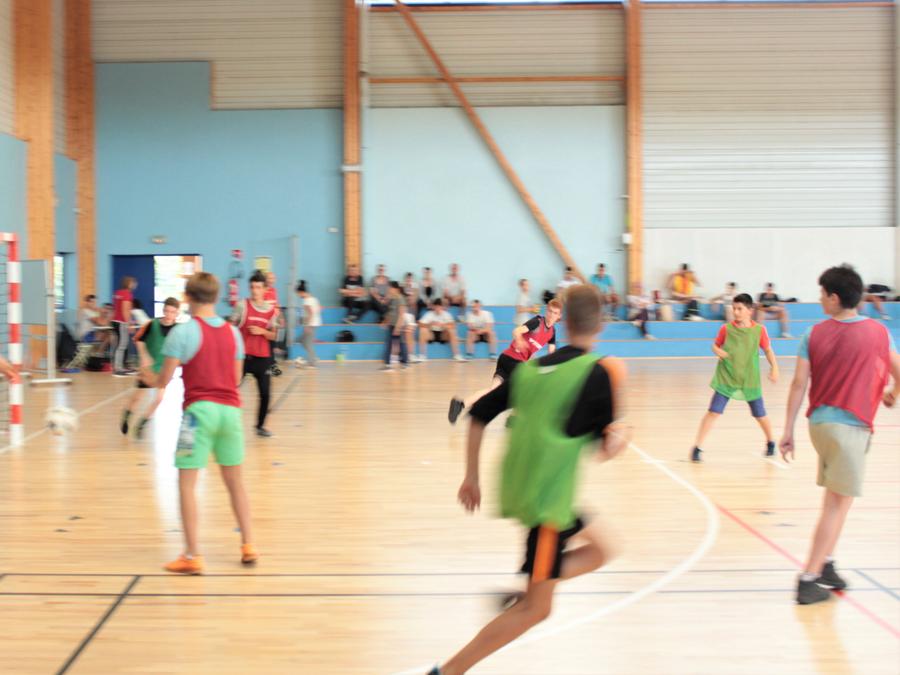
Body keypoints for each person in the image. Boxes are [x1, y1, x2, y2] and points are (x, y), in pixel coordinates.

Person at [429, 285, 630, 675]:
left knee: (603, 548)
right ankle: (449, 671)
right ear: (601, 325)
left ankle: (535, 582)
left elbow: (477, 416)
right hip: (548, 500)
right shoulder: (599, 373)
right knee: (537, 610)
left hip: (523, 486)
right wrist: (623, 435)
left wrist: (471, 478)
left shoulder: (530, 371)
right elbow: (604, 450)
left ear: (564, 323)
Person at [780, 265, 898, 605]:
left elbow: (798, 384)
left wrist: (787, 430)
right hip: (850, 428)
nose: (819, 299)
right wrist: (893, 394)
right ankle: (809, 578)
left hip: (820, 426)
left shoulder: (812, 334)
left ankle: (827, 563)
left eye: (822, 294)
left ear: (834, 298)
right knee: (836, 505)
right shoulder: (877, 332)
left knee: (835, 500)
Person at [150, 272, 257, 574]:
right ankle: (249, 545)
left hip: (197, 415)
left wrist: (150, 376)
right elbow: (236, 378)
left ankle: (192, 555)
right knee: (235, 483)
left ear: (187, 297)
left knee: (186, 483)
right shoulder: (233, 333)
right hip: (230, 413)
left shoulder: (182, 333)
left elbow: (164, 378)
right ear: (216, 296)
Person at [690, 293, 779, 463]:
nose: (736, 312)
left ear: (750, 311)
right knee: (713, 412)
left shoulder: (759, 330)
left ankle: (771, 442)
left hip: (749, 378)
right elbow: (714, 345)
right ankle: (697, 447)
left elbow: (768, 350)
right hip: (727, 377)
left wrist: (774, 367)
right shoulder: (726, 329)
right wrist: (719, 351)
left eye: (740, 309)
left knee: (759, 414)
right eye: (734, 309)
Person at [449, 298, 563, 424]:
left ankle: (460, 404)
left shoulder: (552, 332)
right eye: (550, 311)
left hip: (506, 359)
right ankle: (513, 418)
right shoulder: (537, 322)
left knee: (492, 391)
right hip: (512, 360)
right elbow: (517, 331)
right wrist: (519, 340)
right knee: (526, 387)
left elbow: (552, 353)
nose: (551, 315)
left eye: (555, 313)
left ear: (559, 316)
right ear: (546, 311)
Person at [121, 297, 180, 439]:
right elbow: (138, 339)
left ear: (177, 313)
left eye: (172, 312)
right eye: (167, 311)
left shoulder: (178, 329)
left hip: (164, 369)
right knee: (137, 398)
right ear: (163, 310)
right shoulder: (152, 324)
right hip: (149, 367)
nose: (169, 314)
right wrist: (144, 356)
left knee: (159, 399)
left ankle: (142, 424)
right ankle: (127, 415)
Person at [233, 271, 279, 438]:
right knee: (230, 391)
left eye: (258, 287)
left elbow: (274, 336)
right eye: (252, 287)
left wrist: (262, 331)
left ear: (265, 289)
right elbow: (230, 328)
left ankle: (260, 426)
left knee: (266, 394)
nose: (255, 290)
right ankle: (226, 424)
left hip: (263, 358)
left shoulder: (271, 311)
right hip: (243, 358)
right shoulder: (242, 305)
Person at [417, 299, 464, 363]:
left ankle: (457, 355)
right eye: (436, 307)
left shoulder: (446, 314)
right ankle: (422, 355)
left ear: (442, 307)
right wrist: (429, 325)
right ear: (433, 307)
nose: (437, 309)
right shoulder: (429, 314)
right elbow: (420, 324)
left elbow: (453, 325)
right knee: (422, 330)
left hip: (442, 334)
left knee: (452, 331)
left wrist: (443, 325)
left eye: (439, 307)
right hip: (432, 334)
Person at [112, 276, 137, 376]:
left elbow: (118, 308)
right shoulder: (127, 294)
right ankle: (118, 368)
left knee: (121, 345)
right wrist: (129, 324)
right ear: (129, 284)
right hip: (121, 322)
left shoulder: (117, 293)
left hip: (115, 321)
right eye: (133, 283)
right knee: (122, 345)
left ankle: (122, 366)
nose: (135, 284)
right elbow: (125, 310)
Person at [382, 281, 409, 371]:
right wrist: (386, 321)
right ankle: (387, 364)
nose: (389, 290)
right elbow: (390, 312)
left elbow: (401, 314)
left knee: (402, 343)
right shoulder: (392, 299)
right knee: (388, 343)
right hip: (391, 324)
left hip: (398, 325)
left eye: (390, 288)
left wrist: (398, 327)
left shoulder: (401, 299)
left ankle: (405, 363)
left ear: (396, 289)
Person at [296, 280, 320, 368]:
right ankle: (313, 357)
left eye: (298, 294)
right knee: (302, 341)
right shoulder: (314, 299)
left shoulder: (306, 301)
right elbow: (319, 309)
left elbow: (310, 314)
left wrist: (307, 325)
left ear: (301, 292)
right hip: (314, 324)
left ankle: (312, 362)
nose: (298, 296)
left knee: (308, 343)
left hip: (311, 325)